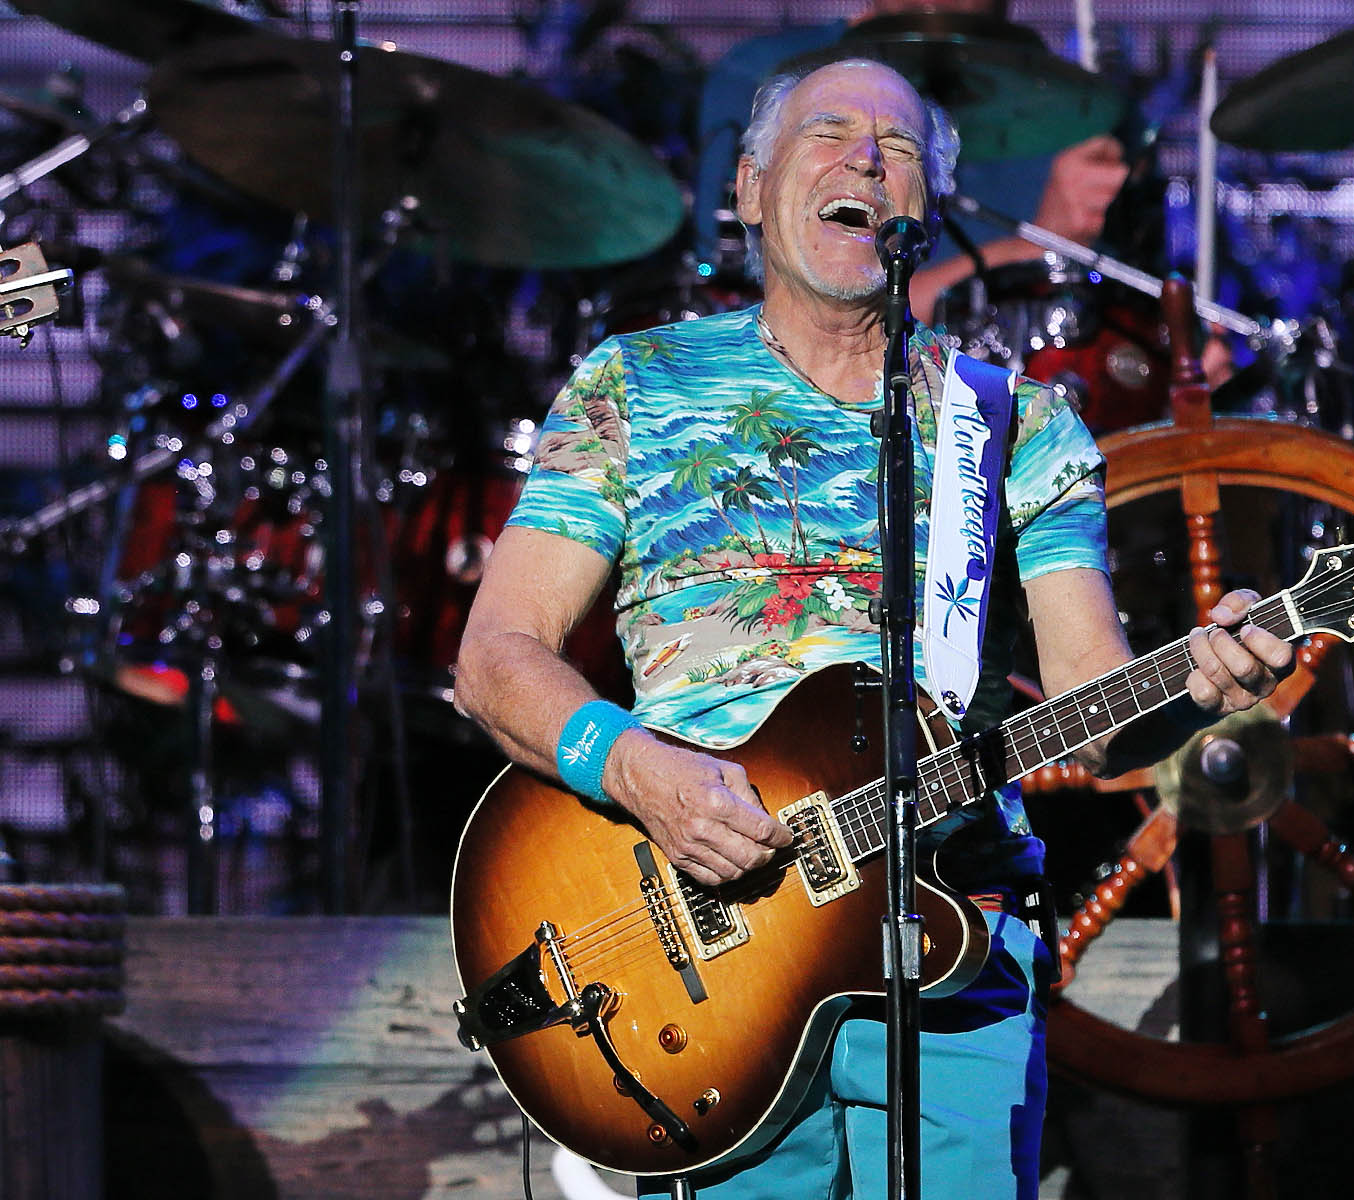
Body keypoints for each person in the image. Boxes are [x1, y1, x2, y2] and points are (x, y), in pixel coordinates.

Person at [454, 56, 1291, 1198]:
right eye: (829, 134)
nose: (864, 159)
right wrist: (642, 772)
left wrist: (1200, 683)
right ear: (749, 189)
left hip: (951, 938)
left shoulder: (1017, 423)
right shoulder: (635, 384)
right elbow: (496, 656)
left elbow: (1093, 710)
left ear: (926, 209)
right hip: (705, 965)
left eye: (897, 148)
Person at [689, 0, 1130, 320]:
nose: (865, 159)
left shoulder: (1081, 106)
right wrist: (1035, 248)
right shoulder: (763, 74)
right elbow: (740, 311)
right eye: (830, 132)